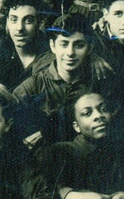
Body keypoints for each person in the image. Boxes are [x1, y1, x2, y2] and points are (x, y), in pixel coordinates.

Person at [13, 13, 114, 150]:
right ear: (53, 46)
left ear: (89, 48)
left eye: (79, 45)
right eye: (64, 44)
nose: (70, 53)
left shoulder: (99, 82)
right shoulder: (35, 84)